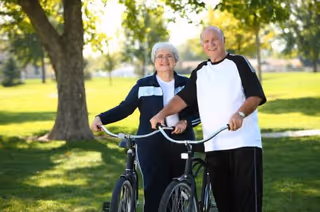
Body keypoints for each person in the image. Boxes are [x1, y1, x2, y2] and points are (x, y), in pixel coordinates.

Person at [150, 26, 267, 212]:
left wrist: (240, 114)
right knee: (224, 204)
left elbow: (255, 96)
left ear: (223, 40)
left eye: (215, 39)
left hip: (244, 144)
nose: (211, 44)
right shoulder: (200, 72)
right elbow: (182, 99)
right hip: (214, 146)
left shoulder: (238, 63)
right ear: (202, 45)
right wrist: (161, 114)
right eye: (206, 41)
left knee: (247, 203)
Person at [91, 42, 200, 212]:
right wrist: (101, 118)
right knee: (154, 188)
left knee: (178, 189)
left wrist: (185, 122)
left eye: (169, 56)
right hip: (151, 143)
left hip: (181, 141)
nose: (164, 60)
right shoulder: (143, 85)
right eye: (159, 56)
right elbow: (125, 108)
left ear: (176, 60)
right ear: (154, 61)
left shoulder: (187, 84)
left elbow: (200, 112)